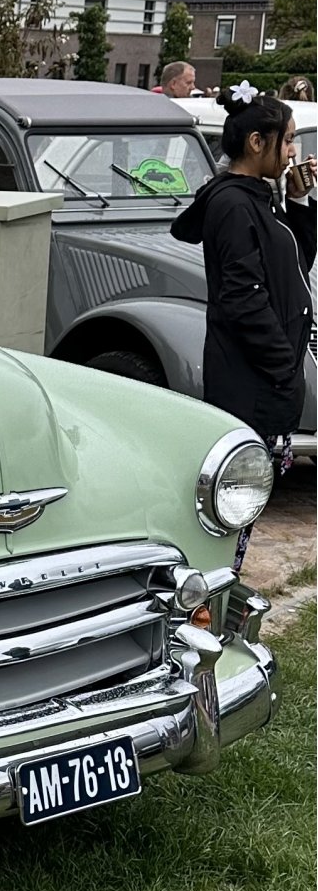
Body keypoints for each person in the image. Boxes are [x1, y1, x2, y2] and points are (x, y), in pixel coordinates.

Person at [171, 80, 316, 571]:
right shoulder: (234, 204)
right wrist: (283, 368)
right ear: (258, 142)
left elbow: (293, 265)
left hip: (265, 380)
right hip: (249, 383)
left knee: (244, 506)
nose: (294, 151)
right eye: (288, 139)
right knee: (233, 505)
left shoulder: (260, 196)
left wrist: (298, 204)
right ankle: (214, 594)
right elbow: (243, 299)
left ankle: (223, 591)